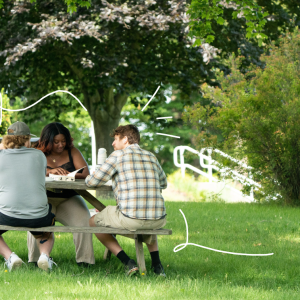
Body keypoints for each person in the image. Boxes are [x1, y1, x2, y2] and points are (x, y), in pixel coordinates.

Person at [86, 124, 167, 276]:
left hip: (132, 219)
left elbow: (92, 182)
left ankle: (127, 262)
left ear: (125, 139)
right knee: (145, 212)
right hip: (158, 219)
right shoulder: (151, 156)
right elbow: (163, 183)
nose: (113, 143)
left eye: (116, 139)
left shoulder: (118, 156)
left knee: (92, 221)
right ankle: (157, 266)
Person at [27, 122, 95, 267]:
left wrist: (70, 175)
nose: (60, 145)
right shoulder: (37, 152)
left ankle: (85, 262)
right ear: (47, 141)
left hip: (69, 198)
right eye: (56, 142)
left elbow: (86, 173)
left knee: (84, 219)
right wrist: (49, 172)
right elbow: (28, 172)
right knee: (35, 219)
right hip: (44, 199)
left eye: (63, 141)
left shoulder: (73, 151)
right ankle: (35, 260)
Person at [0, 121, 56, 271]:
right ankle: (44, 256)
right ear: (27, 139)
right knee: (45, 231)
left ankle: (10, 257)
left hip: (7, 214)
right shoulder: (39, 155)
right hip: (38, 216)